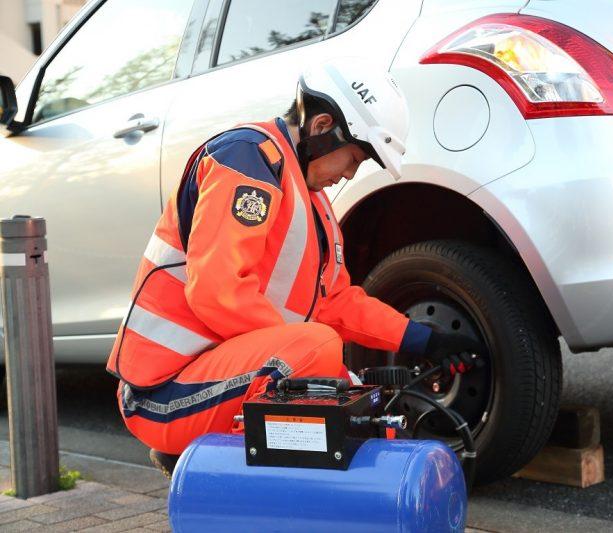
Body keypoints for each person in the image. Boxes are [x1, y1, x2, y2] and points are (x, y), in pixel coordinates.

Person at [105, 58, 486, 476]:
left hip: (216, 375)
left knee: (354, 388)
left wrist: (420, 340)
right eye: (354, 158)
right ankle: (200, 458)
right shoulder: (247, 160)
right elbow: (218, 292)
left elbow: (335, 302)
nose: (348, 174)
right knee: (320, 354)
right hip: (163, 393)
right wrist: (320, 369)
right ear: (323, 127)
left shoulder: (312, 201)